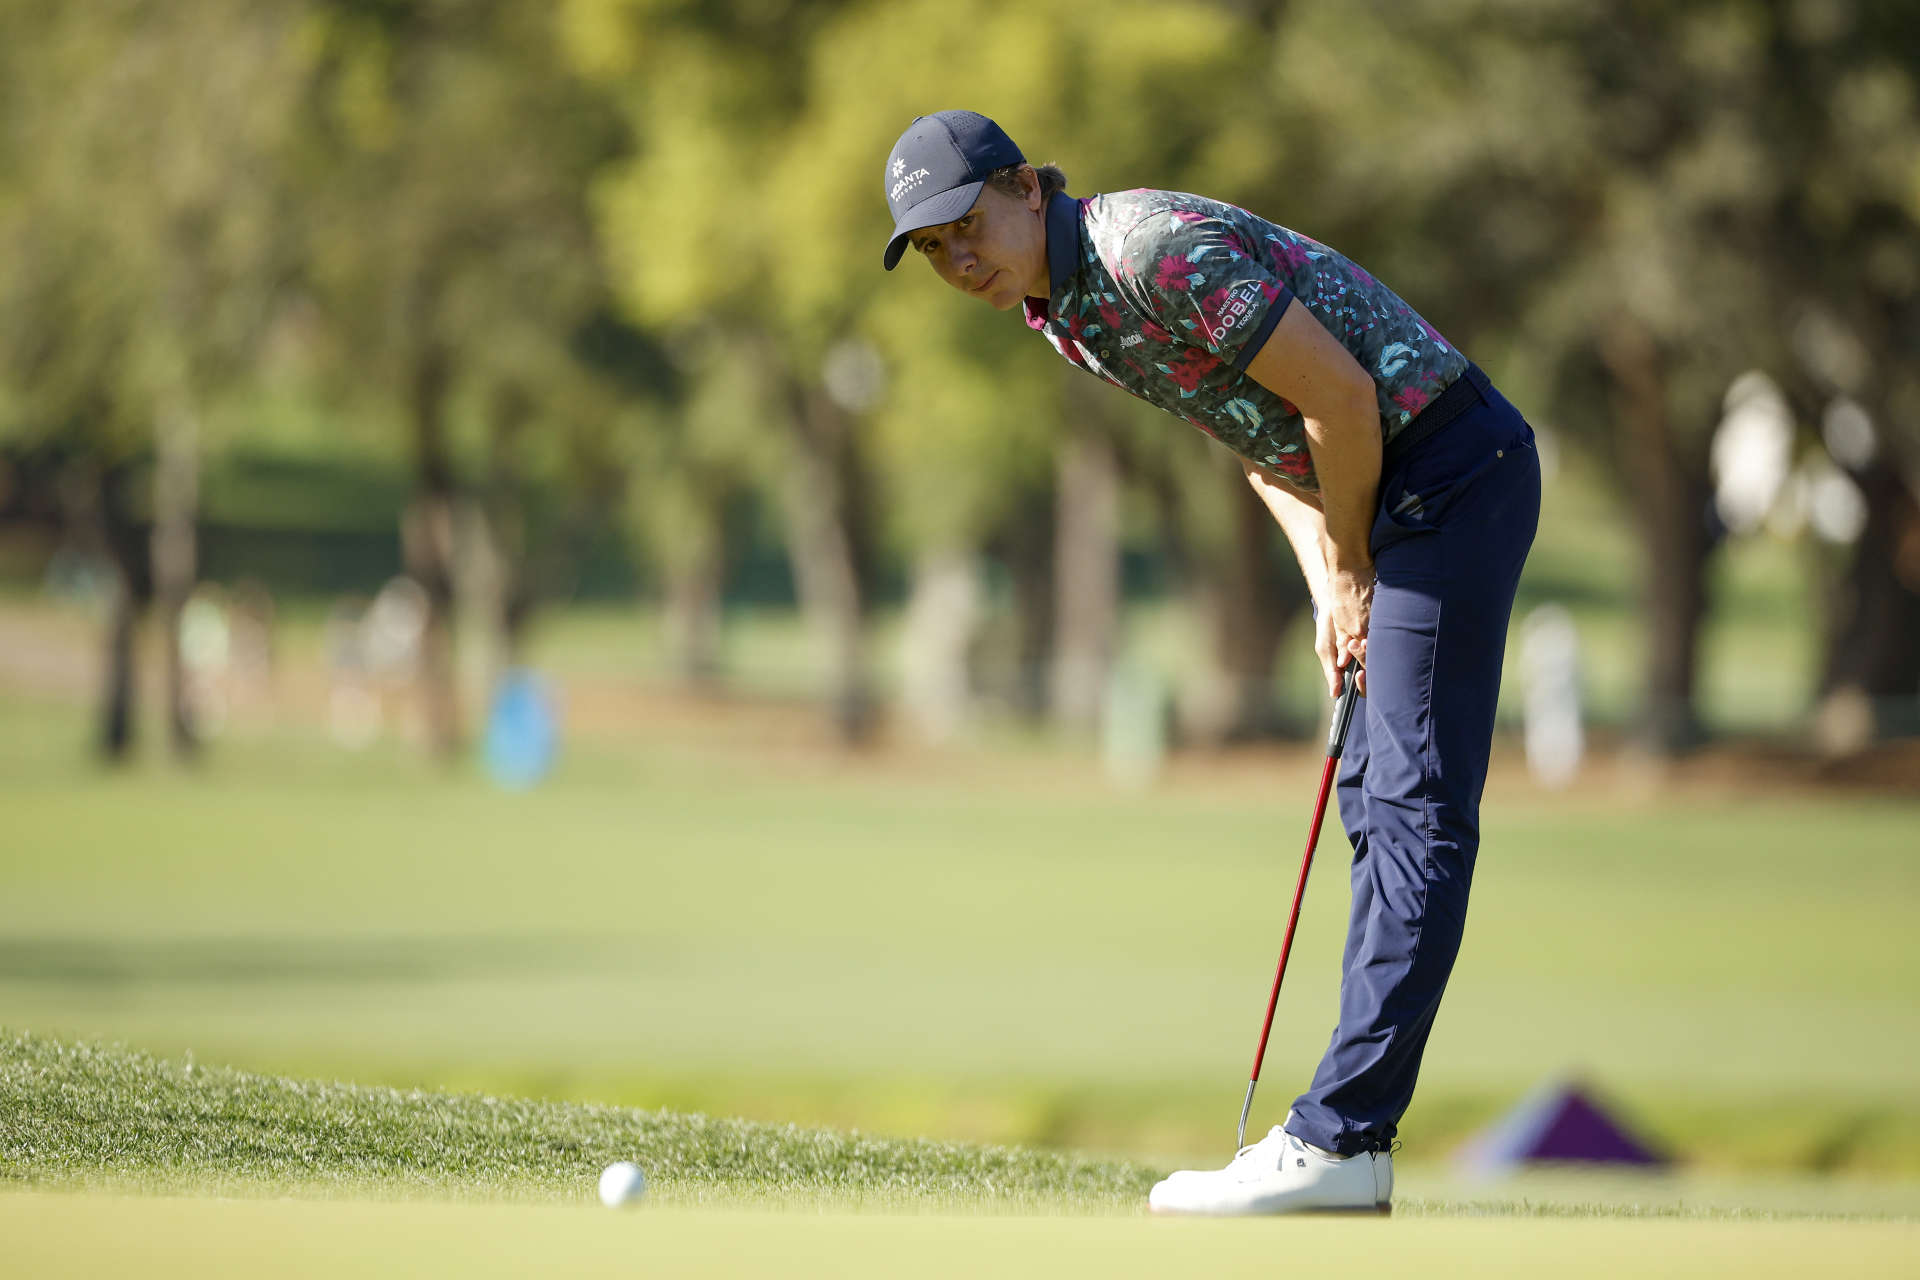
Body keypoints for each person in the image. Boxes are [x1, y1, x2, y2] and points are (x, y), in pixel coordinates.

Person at [881, 110, 1541, 1215]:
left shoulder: (1151, 254)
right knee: (1374, 797)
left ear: (1028, 187)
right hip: (1386, 489)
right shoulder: (1064, 314)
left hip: (1451, 470)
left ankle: (1340, 1136)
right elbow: (1253, 433)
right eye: (938, 251)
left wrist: (1352, 558)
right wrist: (1331, 584)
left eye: (967, 225)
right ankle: (1354, 1143)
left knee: (1418, 804)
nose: (960, 259)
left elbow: (1341, 398)